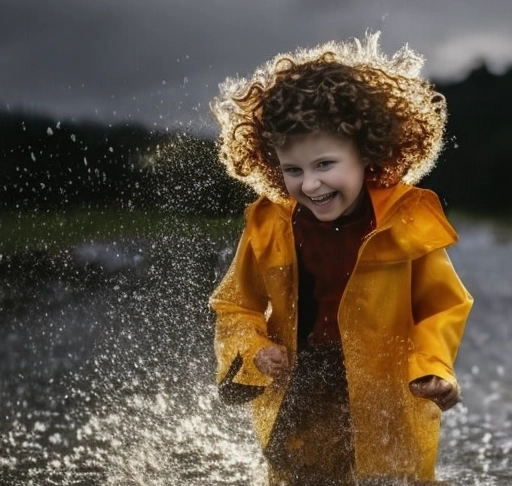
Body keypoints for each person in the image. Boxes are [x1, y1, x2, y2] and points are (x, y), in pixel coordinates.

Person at [209, 32, 473, 485]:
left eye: (324, 165)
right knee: (298, 475)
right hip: (307, 377)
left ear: (366, 153)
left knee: (394, 475)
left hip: (386, 383)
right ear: (273, 165)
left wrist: (433, 369)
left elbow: (443, 306)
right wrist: (255, 351)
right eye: (293, 170)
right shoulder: (269, 225)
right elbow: (235, 306)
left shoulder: (405, 223)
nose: (310, 185)